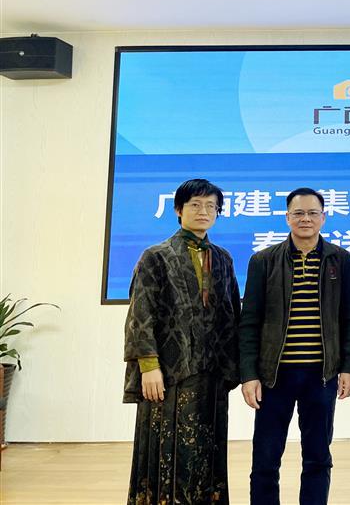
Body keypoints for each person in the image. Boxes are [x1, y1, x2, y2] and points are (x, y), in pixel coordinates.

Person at [238, 187, 350, 504]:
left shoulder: (339, 259)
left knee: (318, 457)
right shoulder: (263, 261)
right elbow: (249, 321)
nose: (306, 219)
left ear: (323, 217)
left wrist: (349, 367)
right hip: (273, 377)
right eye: (299, 213)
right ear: (287, 217)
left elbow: (349, 317)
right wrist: (249, 374)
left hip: (321, 376)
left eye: (312, 213)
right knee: (265, 460)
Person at [123, 178, 241, 504]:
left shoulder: (223, 258)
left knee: (208, 451)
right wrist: (148, 367)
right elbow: (140, 315)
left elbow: (233, 314)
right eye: (195, 205)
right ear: (178, 209)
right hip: (168, 372)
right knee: (164, 451)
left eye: (211, 206)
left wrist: (238, 369)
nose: (204, 211)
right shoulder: (156, 256)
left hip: (212, 375)